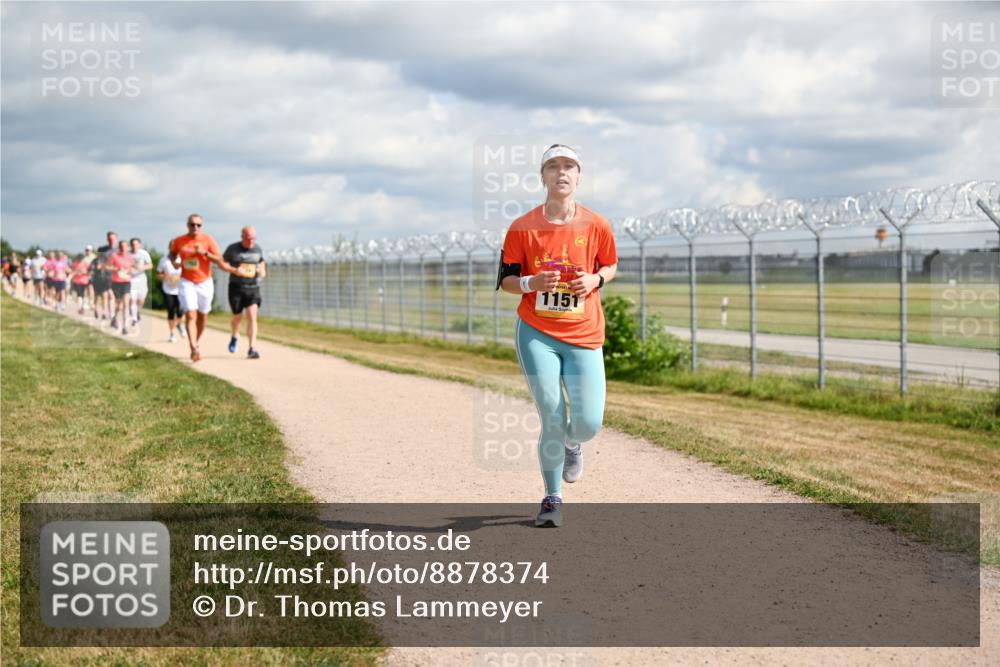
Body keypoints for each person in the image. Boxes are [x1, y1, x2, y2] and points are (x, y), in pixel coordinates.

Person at [496, 144, 618, 528]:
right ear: (543, 176)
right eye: (553, 166)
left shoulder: (597, 224)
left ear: (578, 176)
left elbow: (611, 264)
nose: (561, 172)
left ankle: (573, 443)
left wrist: (595, 279)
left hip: (584, 333)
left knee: (588, 423)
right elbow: (506, 281)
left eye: (569, 166)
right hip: (537, 332)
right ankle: (552, 498)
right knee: (552, 416)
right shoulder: (522, 226)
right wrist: (533, 281)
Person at [169, 213, 225, 362]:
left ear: (201, 226)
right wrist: (174, 261)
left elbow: (219, 259)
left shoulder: (208, 240)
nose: (195, 227)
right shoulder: (179, 241)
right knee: (191, 315)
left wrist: (205, 253)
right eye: (192, 224)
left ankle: (196, 342)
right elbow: (172, 253)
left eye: (198, 225)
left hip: (205, 281)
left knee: (203, 316)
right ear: (187, 225)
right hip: (187, 281)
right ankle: (193, 347)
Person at [222, 226, 266, 359]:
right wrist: (234, 270)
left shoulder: (257, 249)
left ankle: (252, 348)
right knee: (237, 317)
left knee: (252, 317)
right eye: (248, 238)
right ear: (242, 237)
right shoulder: (232, 249)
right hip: (236, 288)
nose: (251, 241)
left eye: (253, 238)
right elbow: (222, 264)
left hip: (253, 288)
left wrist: (261, 272)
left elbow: (262, 266)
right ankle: (235, 335)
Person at [156, 247, 184, 342]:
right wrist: (165, 276)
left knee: (181, 311)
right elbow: (158, 275)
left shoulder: (183, 259)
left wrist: (180, 277)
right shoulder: (163, 260)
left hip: (181, 290)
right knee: (171, 311)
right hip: (168, 290)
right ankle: (172, 333)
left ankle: (178, 324)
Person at [108, 240, 134, 335]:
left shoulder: (130, 257)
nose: (123, 248)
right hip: (116, 282)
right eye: (121, 246)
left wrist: (130, 271)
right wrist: (116, 269)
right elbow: (107, 267)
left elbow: (132, 267)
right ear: (119, 247)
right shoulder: (114, 256)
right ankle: (114, 317)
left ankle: (124, 327)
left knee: (126, 303)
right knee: (119, 305)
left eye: (125, 246)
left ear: (127, 247)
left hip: (126, 282)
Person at [92, 232, 118, 322]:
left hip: (117, 275)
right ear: (107, 239)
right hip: (105, 275)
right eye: (110, 238)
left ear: (116, 238)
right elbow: (98, 260)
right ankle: (108, 313)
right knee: (107, 294)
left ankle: (110, 312)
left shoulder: (119, 249)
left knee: (113, 295)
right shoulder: (102, 249)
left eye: (113, 238)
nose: (111, 240)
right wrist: (99, 266)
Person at [129, 237, 153, 327]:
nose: (134, 246)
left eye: (136, 244)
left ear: (139, 245)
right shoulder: (127, 254)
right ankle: (134, 318)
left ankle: (137, 311)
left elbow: (150, 265)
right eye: (133, 244)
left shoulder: (144, 253)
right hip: (131, 279)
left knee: (141, 300)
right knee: (133, 299)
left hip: (141, 279)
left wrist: (142, 268)